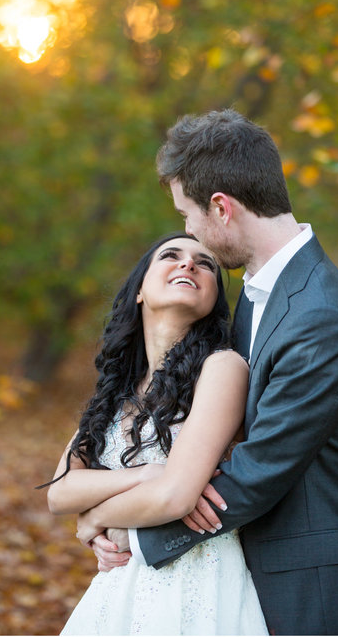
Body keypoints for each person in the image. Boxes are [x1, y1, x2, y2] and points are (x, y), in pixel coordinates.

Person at [86, 109, 338, 635]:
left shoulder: (321, 314)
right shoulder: (255, 295)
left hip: (304, 583)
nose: (188, 231)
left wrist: (125, 529)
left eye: (189, 215)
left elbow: (258, 470)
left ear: (221, 208)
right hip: (237, 567)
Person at [43, 233, 268, 633]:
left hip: (197, 581)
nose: (188, 265)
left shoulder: (222, 367)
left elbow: (175, 497)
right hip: (120, 588)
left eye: (205, 263)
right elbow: (59, 493)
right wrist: (145, 475)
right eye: (171, 255)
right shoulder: (117, 390)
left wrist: (94, 518)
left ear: (214, 300)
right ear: (140, 292)